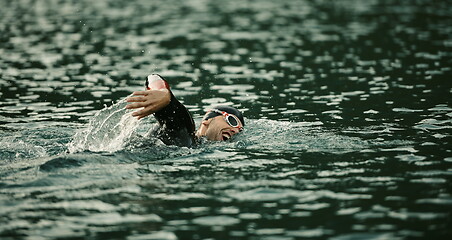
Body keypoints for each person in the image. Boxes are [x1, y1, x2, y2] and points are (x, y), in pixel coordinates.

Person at [125, 74, 245, 147]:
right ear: (208, 120)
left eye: (239, 131)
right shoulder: (185, 128)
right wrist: (164, 93)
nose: (235, 130)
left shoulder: (195, 145)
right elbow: (153, 78)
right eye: (232, 121)